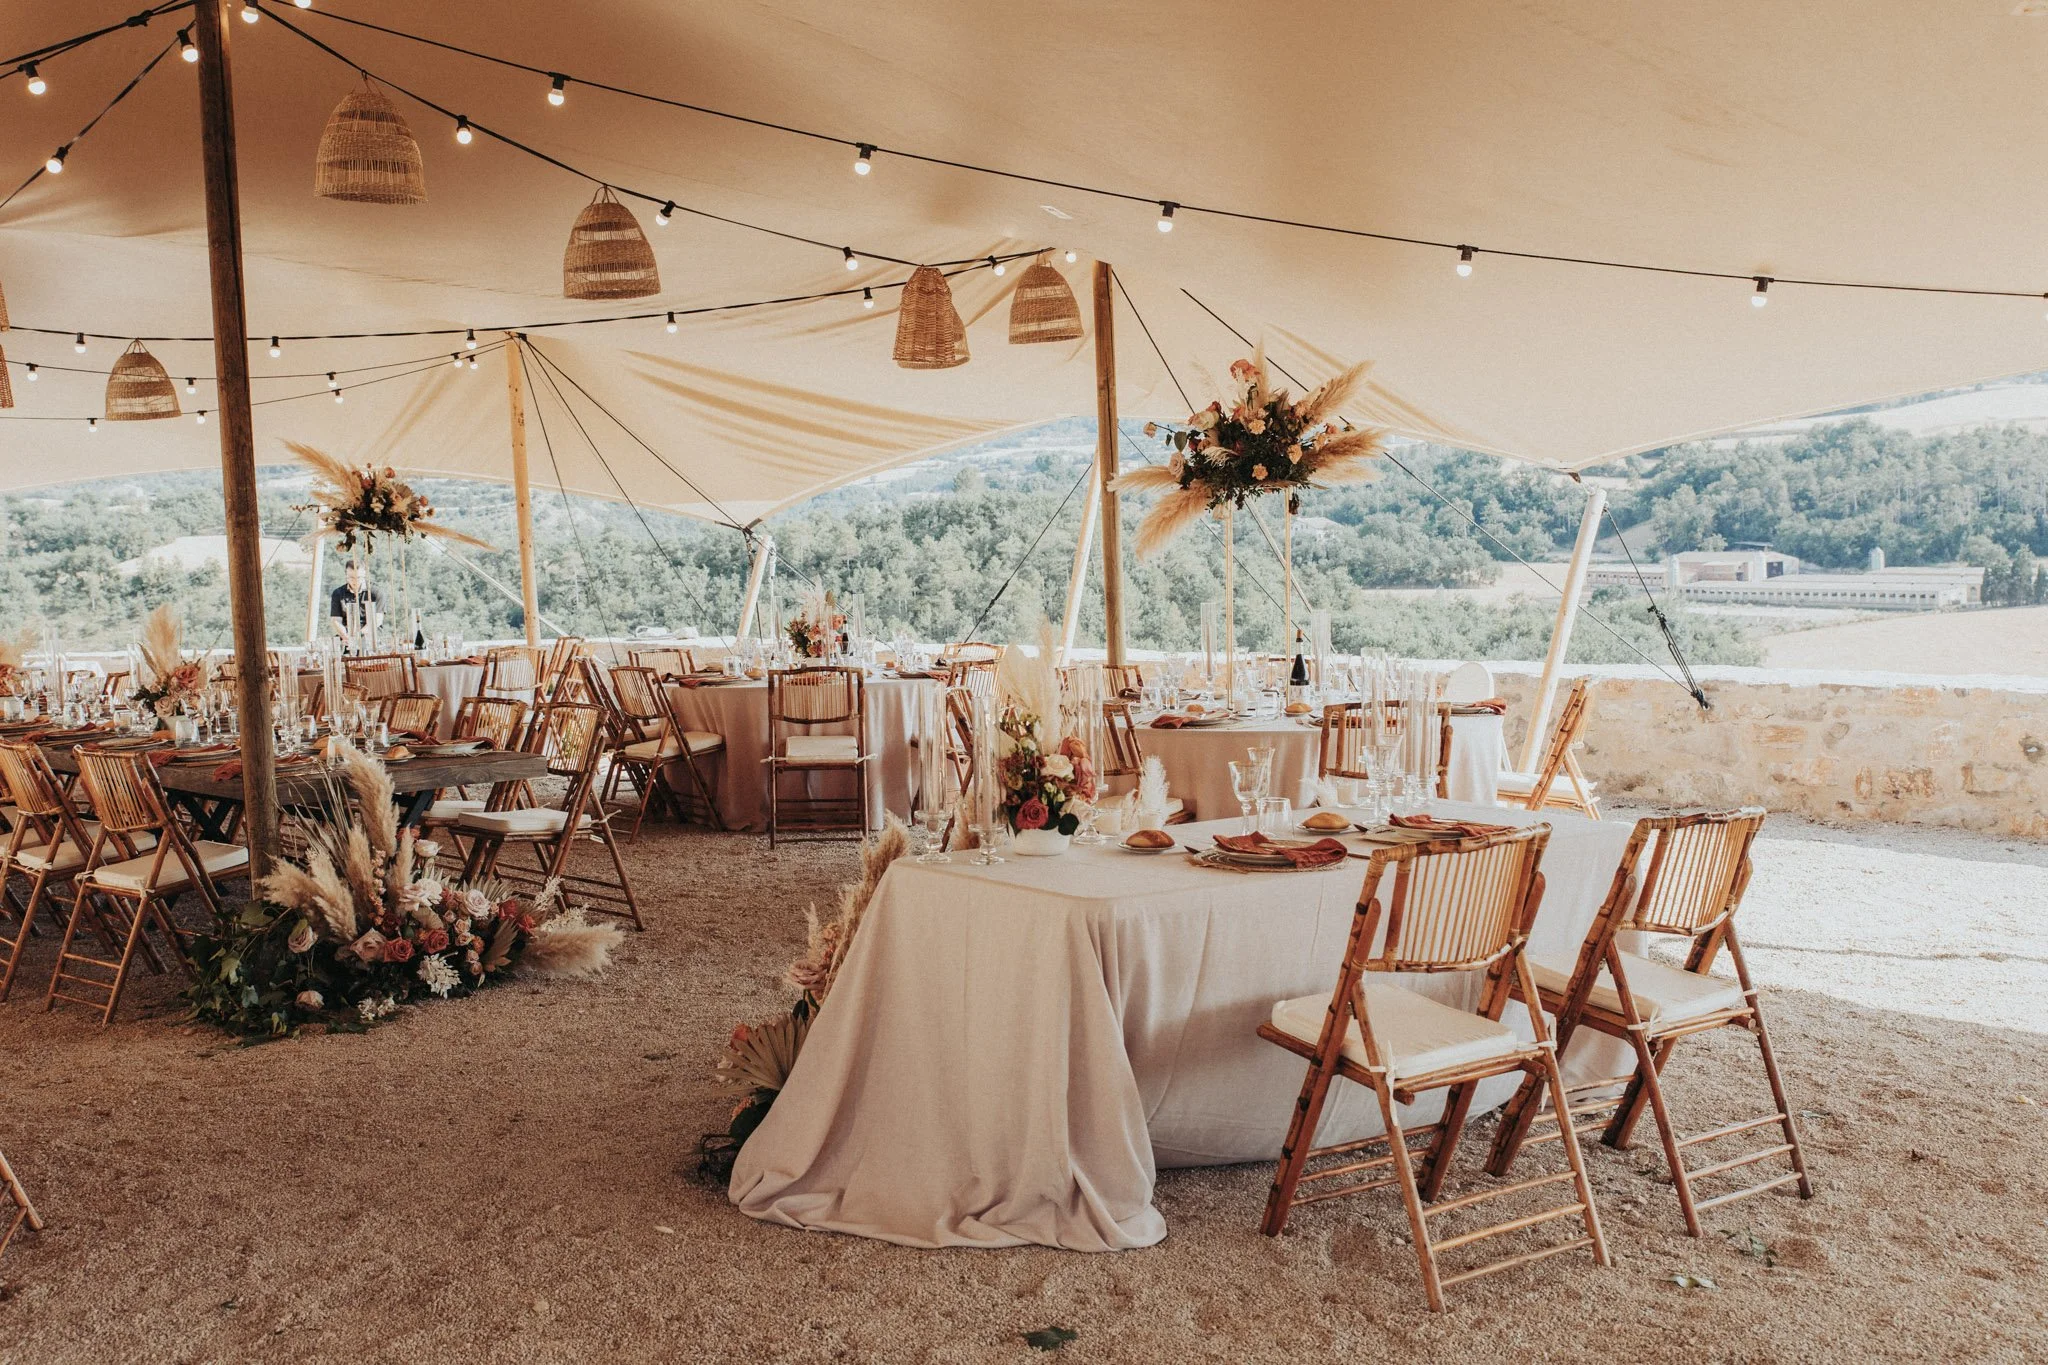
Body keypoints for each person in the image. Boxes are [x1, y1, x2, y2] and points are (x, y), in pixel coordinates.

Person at [329, 559, 383, 647]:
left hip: (370, 635)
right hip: (346, 636)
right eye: (351, 578)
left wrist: (358, 635)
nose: (355, 581)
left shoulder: (376, 592)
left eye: (358, 578)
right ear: (346, 575)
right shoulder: (338, 593)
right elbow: (336, 620)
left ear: (364, 574)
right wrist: (345, 636)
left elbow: (378, 620)